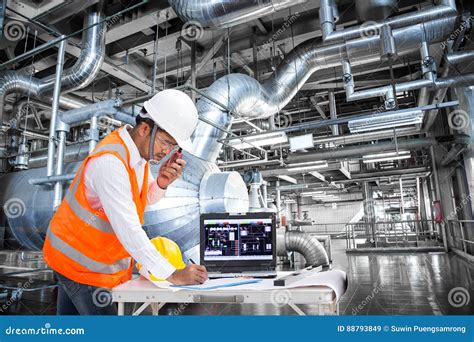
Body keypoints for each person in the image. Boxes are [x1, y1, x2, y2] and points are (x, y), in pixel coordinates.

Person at [43, 89, 208, 315]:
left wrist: (161, 182)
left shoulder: (138, 158)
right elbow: (129, 229)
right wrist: (173, 273)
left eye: (173, 147)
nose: (167, 152)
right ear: (144, 129)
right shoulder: (111, 163)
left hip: (76, 259)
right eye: (166, 142)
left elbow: (144, 198)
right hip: (81, 266)